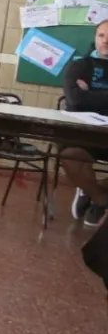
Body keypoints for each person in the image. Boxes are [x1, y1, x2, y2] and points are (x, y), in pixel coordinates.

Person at [62, 19, 108, 228]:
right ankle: (101, 199)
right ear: (95, 38)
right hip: (82, 133)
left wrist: (90, 94)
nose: (106, 41)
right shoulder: (79, 66)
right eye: (101, 35)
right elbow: (75, 99)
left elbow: (83, 99)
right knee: (70, 154)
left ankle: (91, 189)